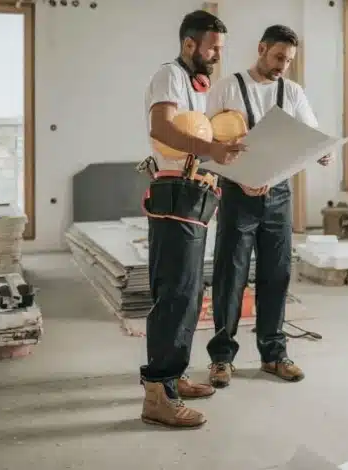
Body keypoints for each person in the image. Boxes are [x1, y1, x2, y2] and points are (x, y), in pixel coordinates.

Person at [204, 24, 332, 387]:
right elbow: (207, 141)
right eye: (278, 57)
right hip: (236, 194)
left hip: (278, 196)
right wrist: (239, 175)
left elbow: (311, 135)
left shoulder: (292, 92)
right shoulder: (228, 87)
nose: (282, 66)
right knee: (231, 276)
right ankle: (221, 359)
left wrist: (323, 154)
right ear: (261, 49)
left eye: (288, 61)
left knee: (277, 275)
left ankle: (274, 355)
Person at [137, 9, 246, 429]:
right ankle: (158, 394)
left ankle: (174, 377)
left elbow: (198, 135)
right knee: (175, 293)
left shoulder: (198, 86)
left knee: (189, 293)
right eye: (213, 47)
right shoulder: (169, 74)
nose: (218, 55)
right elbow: (163, 129)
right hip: (174, 190)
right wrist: (213, 152)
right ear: (189, 44)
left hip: (195, 190)